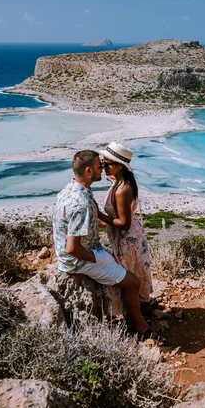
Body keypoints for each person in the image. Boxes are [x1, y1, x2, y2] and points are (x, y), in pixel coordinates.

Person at [53, 149, 160, 342]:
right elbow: (72, 248)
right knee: (132, 282)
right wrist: (97, 258)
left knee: (125, 269)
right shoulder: (81, 203)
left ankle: (134, 309)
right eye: (99, 165)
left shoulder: (70, 189)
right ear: (88, 171)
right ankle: (139, 326)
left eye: (105, 164)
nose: (102, 168)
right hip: (79, 258)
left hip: (85, 251)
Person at [99, 142, 153, 319]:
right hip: (130, 237)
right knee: (134, 272)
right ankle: (140, 308)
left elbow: (124, 223)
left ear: (120, 166)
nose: (103, 166)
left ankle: (133, 315)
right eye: (103, 162)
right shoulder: (121, 182)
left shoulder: (122, 189)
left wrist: (98, 214)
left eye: (108, 164)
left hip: (126, 240)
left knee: (126, 277)